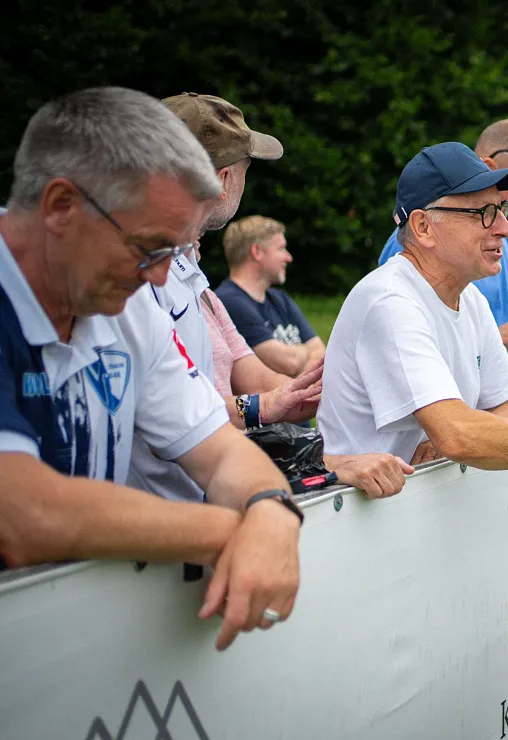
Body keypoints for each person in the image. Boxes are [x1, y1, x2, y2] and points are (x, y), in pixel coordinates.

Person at [0, 87, 300, 652]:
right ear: (62, 207)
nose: (161, 279)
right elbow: (24, 513)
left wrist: (272, 509)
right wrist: (235, 529)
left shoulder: (127, 301)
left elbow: (218, 450)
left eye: (173, 253)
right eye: (148, 249)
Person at [134, 92, 410, 501]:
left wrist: (313, 393)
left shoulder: (190, 275)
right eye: (245, 169)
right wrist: (272, 412)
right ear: (223, 178)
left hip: (203, 501)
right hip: (166, 519)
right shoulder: (145, 277)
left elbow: (255, 373)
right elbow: (175, 419)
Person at [318, 142, 508, 498]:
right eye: (483, 213)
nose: (505, 227)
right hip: (359, 526)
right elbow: (459, 434)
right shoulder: (390, 301)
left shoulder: (469, 297)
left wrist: (451, 440)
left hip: (406, 513)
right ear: (424, 227)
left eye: (501, 208)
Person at [377, 119, 508, 413]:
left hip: (501, 437)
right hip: (457, 443)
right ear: (488, 167)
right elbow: (413, 362)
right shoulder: (420, 245)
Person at [216, 216, 324, 377]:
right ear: (257, 252)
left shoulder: (279, 298)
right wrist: (304, 351)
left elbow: (321, 353)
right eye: (281, 248)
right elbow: (289, 363)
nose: (289, 257)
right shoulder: (228, 301)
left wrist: (299, 358)